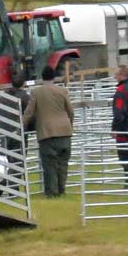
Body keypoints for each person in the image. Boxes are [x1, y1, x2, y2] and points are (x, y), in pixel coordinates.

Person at [23, 65, 74, 197]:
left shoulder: (36, 92)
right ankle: (62, 189)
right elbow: (71, 111)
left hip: (47, 133)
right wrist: (70, 125)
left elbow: (29, 112)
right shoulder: (62, 91)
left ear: (42, 77)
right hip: (65, 131)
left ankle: (52, 192)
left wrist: (22, 125)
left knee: (50, 165)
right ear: (54, 77)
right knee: (63, 163)